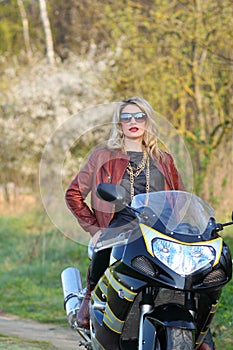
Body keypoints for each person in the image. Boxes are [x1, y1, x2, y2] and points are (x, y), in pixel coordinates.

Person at [65, 97, 214, 350]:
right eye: (126, 117)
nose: (133, 122)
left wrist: (183, 226)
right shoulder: (102, 155)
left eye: (139, 116)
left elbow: (181, 199)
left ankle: (198, 328)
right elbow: (74, 194)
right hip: (120, 224)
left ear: (147, 120)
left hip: (159, 228)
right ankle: (89, 302)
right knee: (104, 249)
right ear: (119, 123)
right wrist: (94, 229)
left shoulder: (163, 158)